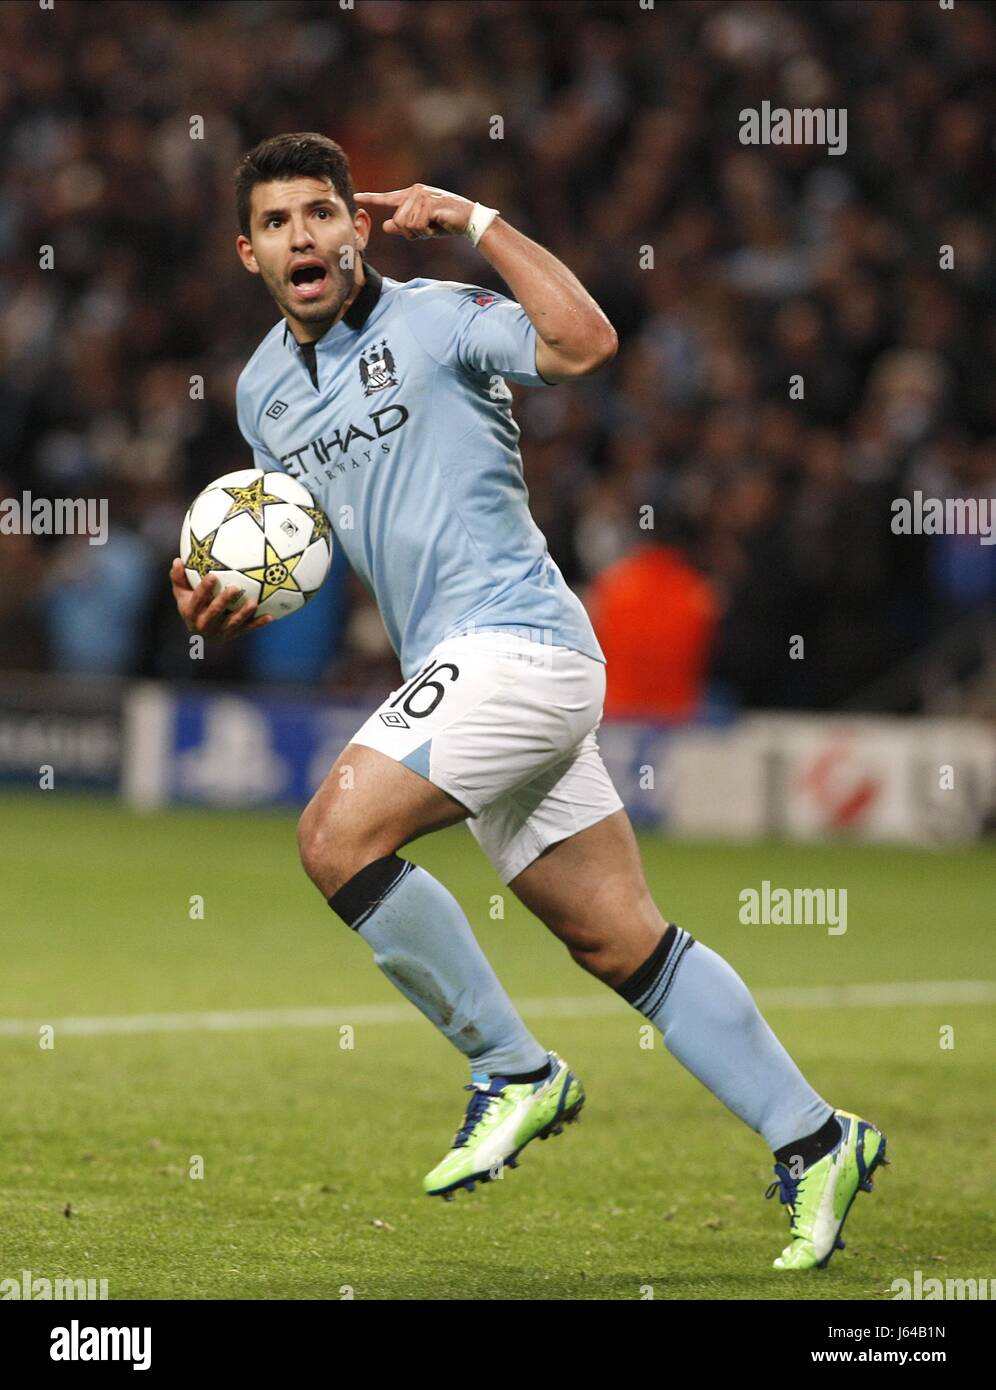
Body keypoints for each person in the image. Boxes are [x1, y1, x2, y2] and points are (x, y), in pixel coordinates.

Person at [169, 134, 887, 1269]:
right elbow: (301, 547)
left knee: (334, 836)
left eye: (323, 212)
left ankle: (512, 1067)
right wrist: (232, 604)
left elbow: (587, 341)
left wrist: (475, 218)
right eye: (278, 222)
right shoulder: (263, 392)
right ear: (247, 249)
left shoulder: (444, 317)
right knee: (618, 941)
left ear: (359, 226)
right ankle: (816, 1137)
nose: (303, 236)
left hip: (520, 644)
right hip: (457, 676)